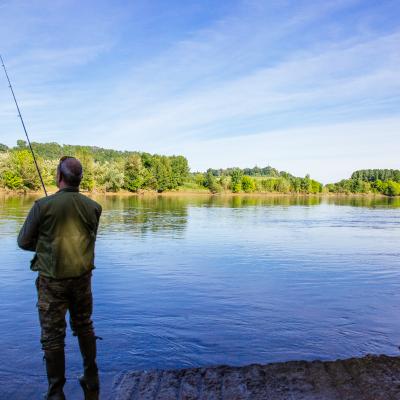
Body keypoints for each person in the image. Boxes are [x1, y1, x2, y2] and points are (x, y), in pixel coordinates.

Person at [17, 156, 102, 400]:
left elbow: (23, 242)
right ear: (79, 179)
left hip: (51, 282)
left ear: (59, 177)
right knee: (84, 325)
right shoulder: (94, 207)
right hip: (82, 280)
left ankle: (56, 392)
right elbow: (86, 239)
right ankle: (91, 376)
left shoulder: (42, 206)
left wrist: (46, 246)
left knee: (53, 336)